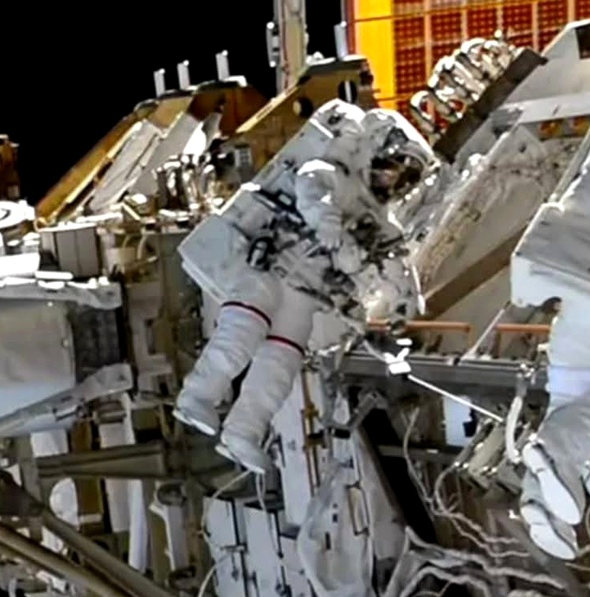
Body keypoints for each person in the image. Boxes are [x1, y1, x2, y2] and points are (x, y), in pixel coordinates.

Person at [174, 105, 432, 473]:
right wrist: (328, 224)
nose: (393, 181)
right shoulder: (338, 177)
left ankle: (243, 432)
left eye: (404, 178)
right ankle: (197, 397)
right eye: (393, 168)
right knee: (242, 333)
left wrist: (405, 307)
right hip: (272, 265)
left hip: (307, 291)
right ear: (374, 152)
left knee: (281, 364)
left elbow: (398, 267)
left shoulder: (382, 223)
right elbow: (310, 183)